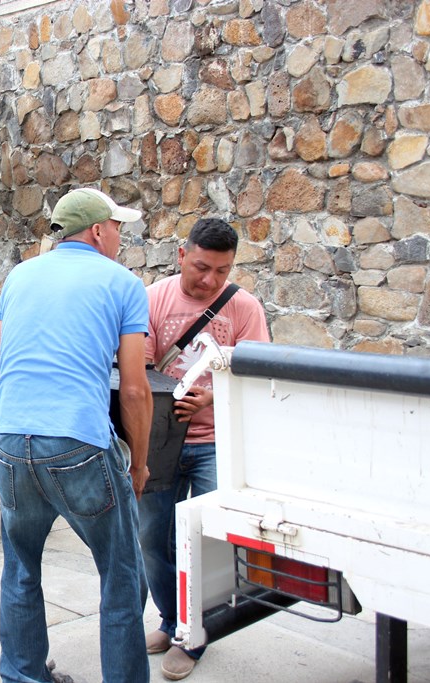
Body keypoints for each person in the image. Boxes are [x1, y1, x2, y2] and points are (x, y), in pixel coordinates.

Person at [0, 187, 153, 683]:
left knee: (20, 567)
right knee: (122, 578)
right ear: (98, 231)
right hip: (77, 442)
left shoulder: (18, 277)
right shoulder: (123, 283)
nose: (121, 236)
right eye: (118, 227)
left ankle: (22, 675)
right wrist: (139, 464)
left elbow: (3, 372)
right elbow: (135, 391)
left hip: (11, 439)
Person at [140, 218, 270, 681]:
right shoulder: (153, 299)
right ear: (181, 255)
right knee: (153, 538)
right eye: (201, 267)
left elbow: (257, 374)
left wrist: (214, 396)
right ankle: (172, 622)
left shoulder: (245, 307)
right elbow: (140, 368)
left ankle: (196, 635)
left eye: (222, 270)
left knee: (212, 542)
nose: (211, 280)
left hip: (218, 441)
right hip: (162, 441)